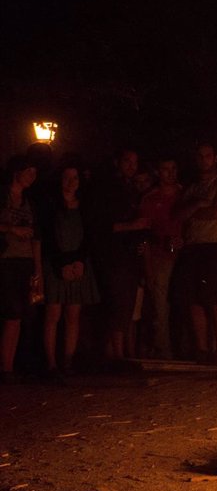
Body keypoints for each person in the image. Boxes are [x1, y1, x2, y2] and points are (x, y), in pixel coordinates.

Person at [175, 144, 217, 362]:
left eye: (208, 156)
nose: (204, 160)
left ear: (215, 158)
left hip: (213, 246)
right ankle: (201, 349)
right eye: (200, 156)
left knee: (214, 298)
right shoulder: (191, 188)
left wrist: (192, 209)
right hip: (192, 247)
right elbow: (179, 215)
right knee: (194, 299)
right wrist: (197, 206)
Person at [40, 164, 99, 376]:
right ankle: (51, 363)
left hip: (77, 264)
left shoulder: (84, 206)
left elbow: (88, 236)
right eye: (67, 177)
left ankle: (68, 361)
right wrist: (61, 264)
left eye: (75, 178)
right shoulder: (51, 205)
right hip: (57, 264)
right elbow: (48, 237)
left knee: (73, 314)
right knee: (53, 313)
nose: (71, 182)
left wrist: (79, 261)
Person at [90, 149, 149, 362]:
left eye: (135, 162)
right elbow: (100, 225)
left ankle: (115, 352)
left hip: (128, 255)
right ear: (117, 162)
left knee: (125, 304)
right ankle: (116, 354)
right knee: (118, 303)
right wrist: (130, 226)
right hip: (114, 256)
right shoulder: (108, 189)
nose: (132, 166)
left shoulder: (131, 189)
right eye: (127, 161)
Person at [1, 156, 42, 382]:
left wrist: (37, 268)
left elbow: (36, 237)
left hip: (24, 261)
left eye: (34, 173)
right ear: (16, 171)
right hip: (5, 260)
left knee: (21, 314)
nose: (31, 177)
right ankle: (6, 368)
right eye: (28, 172)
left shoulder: (29, 202)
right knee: (11, 313)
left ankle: (12, 366)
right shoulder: (2, 196)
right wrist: (11, 229)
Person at [138, 158, 182, 359]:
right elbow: (144, 234)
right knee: (160, 305)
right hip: (159, 257)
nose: (170, 173)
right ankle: (164, 349)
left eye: (173, 168)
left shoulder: (185, 194)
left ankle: (185, 347)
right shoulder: (149, 199)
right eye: (165, 169)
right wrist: (148, 267)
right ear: (158, 172)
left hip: (183, 257)